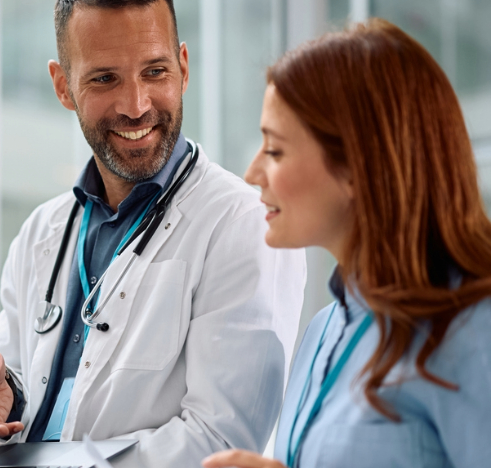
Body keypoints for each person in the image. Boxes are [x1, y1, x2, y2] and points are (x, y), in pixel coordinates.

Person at [0, 1, 307, 466]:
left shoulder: (242, 223)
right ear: (63, 86)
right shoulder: (40, 232)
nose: (136, 106)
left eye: (154, 72)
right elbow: (29, 386)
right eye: (104, 79)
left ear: (183, 68)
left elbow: (222, 440)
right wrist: (4, 400)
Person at [202, 19, 491, 468]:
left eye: (275, 150)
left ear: (358, 165)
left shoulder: (473, 333)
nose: (252, 173)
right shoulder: (322, 331)